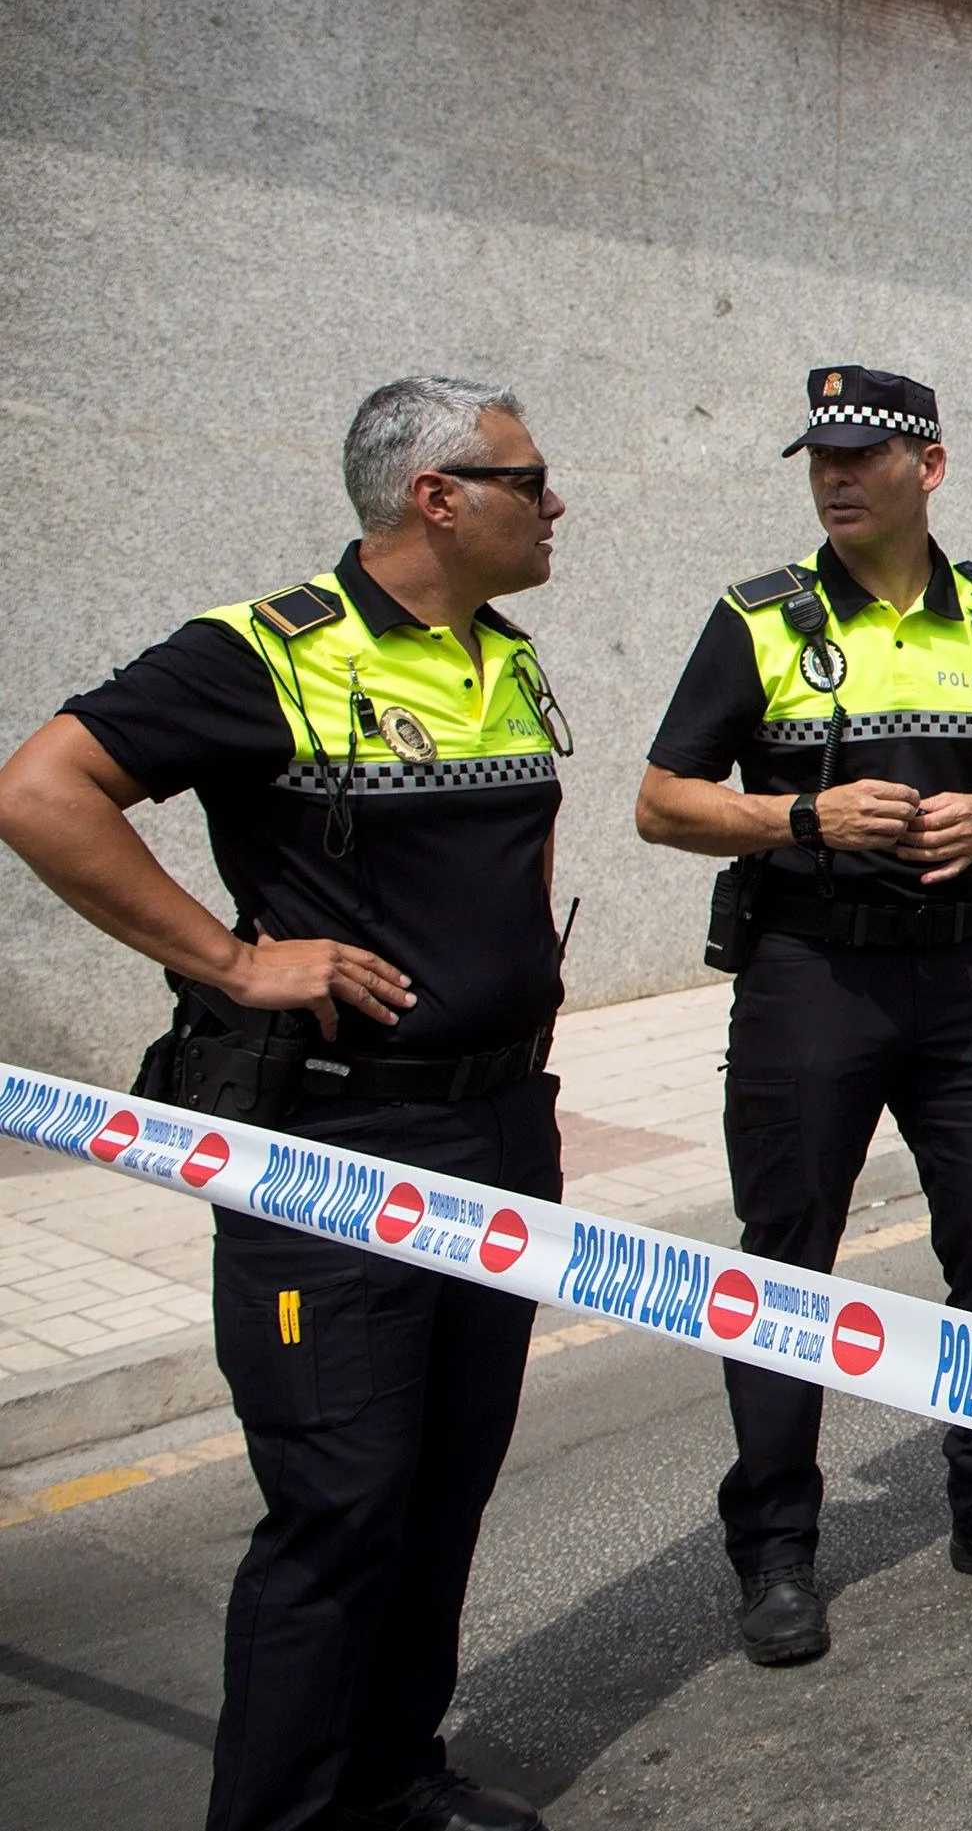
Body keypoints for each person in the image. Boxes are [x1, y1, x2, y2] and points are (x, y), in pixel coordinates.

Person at [0, 378, 571, 1831]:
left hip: (501, 1133)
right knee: (339, 1511)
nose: (555, 502)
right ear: (438, 496)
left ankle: (393, 1777)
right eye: (529, 477)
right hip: (339, 1147)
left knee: (441, 1495)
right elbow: (43, 791)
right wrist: (232, 958)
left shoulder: (498, 655)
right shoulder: (258, 654)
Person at [634, 366, 972, 1668]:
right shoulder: (760, 618)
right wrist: (800, 817)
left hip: (962, 979)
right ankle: (776, 1552)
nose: (835, 479)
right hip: (809, 977)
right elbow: (661, 799)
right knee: (784, 1267)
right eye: (818, 460)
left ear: (928, 467)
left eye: (862, 458)